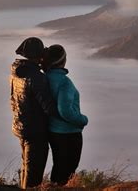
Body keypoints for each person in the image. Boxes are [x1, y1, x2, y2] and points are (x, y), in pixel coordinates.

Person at [10, 37, 59, 189]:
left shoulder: (16, 72)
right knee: (33, 177)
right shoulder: (36, 77)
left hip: (21, 127)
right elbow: (48, 107)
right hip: (35, 131)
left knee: (26, 168)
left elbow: (13, 99)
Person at [43, 44, 88, 185]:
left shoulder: (44, 78)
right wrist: (83, 120)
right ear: (62, 61)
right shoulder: (64, 83)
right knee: (68, 170)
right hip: (69, 133)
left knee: (59, 167)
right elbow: (65, 111)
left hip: (52, 131)